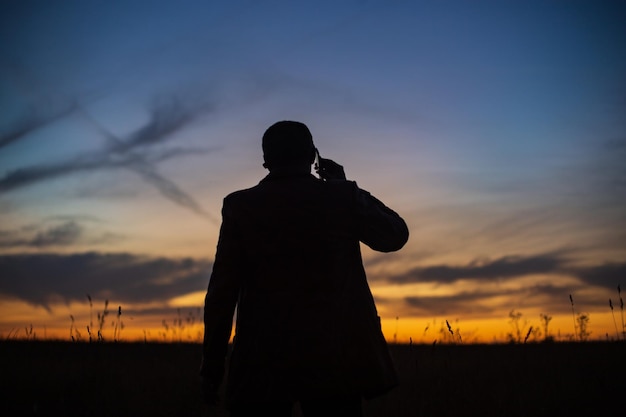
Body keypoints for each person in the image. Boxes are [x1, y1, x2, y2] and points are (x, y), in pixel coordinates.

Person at [201, 121, 409, 417]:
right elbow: (395, 235)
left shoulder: (240, 206)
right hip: (334, 359)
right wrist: (346, 188)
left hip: (262, 358)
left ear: (265, 160)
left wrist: (212, 367)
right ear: (313, 156)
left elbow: (222, 292)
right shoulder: (342, 198)